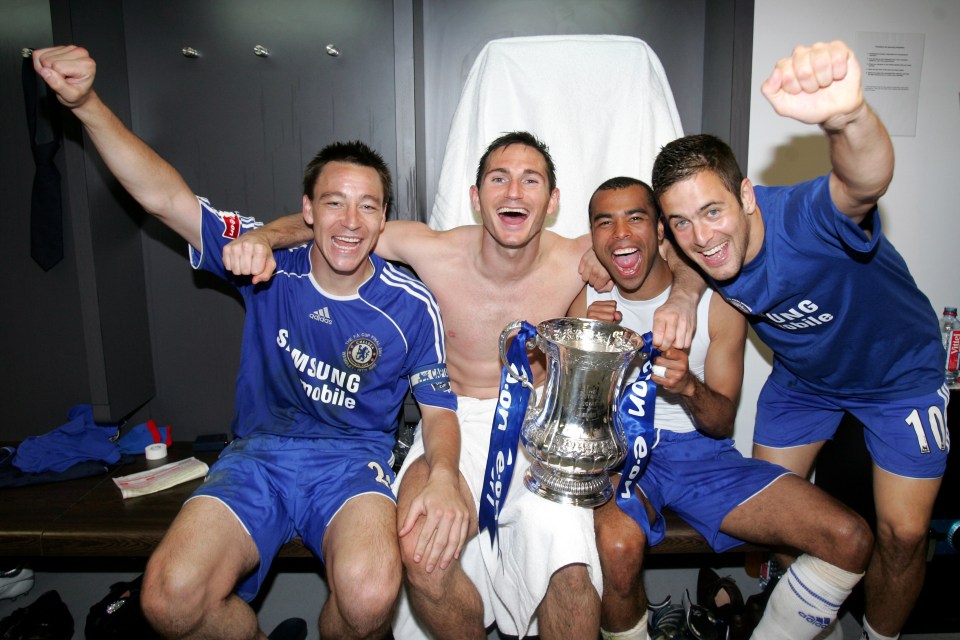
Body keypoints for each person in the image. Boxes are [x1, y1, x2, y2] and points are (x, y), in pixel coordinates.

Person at [33, 45, 470, 640]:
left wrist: (444, 471)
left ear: (384, 216)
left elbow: (440, 408)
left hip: (350, 465)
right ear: (307, 211)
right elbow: (165, 197)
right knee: (168, 599)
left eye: (367, 206)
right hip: (258, 456)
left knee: (369, 599)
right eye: (333, 202)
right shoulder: (268, 264)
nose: (350, 220)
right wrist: (85, 105)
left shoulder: (409, 304)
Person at [221, 132, 703, 639]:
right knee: (421, 549)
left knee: (571, 565)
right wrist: (263, 237)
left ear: (552, 201)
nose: (514, 192)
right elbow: (338, 225)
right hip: (450, 420)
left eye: (530, 180)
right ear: (476, 198)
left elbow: (678, 251)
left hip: (538, 425)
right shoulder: (433, 249)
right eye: (499, 179)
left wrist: (685, 301)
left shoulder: (580, 254)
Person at [653, 41, 949, 640]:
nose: (701, 237)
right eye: (681, 222)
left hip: (898, 379)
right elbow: (685, 258)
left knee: (905, 535)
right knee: (776, 523)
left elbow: (862, 182)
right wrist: (683, 295)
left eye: (712, 211)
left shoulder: (805, 218)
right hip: (804, 380)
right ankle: (818, 612)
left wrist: (848, 118)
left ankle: (878, 637)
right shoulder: (698, 249)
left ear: (746, 196)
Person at [572, 176, 872, 640]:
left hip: (701, 456)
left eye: (636, 217)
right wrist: (588, 353)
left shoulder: (714, 304)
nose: (621, 233)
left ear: (660, 233)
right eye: (604, 222)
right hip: (619, 456)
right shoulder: (588, 302)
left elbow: (720, 423)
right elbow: (568, 416)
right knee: (615, 544)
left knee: (850, 538)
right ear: (593, 237)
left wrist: (688, 387)